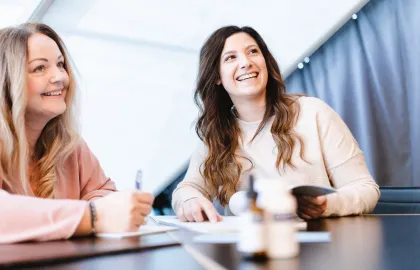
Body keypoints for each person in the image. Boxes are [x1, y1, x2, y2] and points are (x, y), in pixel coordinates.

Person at [172, 25, 380, 222]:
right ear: (217, 77)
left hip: (319, 245)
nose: (245, 62)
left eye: (253, 51)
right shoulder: (217, 134)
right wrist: (190, 201)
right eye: (231, 58)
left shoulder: (313, 112)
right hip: (251, 251)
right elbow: (188, 188)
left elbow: (365, 188)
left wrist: (328, 205)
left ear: (265, 62)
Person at [0, 23, 154, 244]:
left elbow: (104, 193)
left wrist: (110, 208)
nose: (60, 77)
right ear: (6, 82)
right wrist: (92, 216)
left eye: (60, 64)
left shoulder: (70, 146)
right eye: (40, 68)